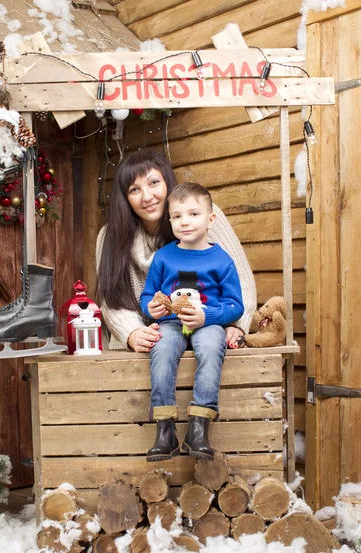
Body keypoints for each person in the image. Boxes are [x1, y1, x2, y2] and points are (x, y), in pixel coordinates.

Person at [96, 149, 256, 355]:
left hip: (208, 337)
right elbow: (112, 298)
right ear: (125, 198)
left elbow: (241, 282)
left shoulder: (202, 216)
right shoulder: (109, 235)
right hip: (146, 347)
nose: (147, 196)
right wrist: (133, 333)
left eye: (154, 183)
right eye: (134, 190)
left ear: (168, 182)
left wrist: (236, 325)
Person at [140, 183, 244, 461]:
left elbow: (235, 305)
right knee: (161, 349)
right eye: (177, 216)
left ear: (211, 220)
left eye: (193, 214)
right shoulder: (164, 257)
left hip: (207, 323)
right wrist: (152, 308)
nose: (185, 221)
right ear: (170, 220)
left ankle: (199, 427)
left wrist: (207, 317)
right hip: (171, 322)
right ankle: (165, 430)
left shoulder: (222, 260)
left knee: (212, 346)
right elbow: (148, 295)